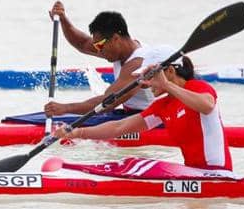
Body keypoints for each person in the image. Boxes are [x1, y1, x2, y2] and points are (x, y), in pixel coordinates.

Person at [52, 57, 232, 171]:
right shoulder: (162, 106)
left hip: (218, 172)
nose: (145, 84)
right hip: (194, 173)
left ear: (169, 71)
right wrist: (77, 132)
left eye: (149, 76)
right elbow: (119, 127)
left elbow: (207, 106)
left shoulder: (197, 87)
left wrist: (167, 85)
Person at [43, 4, 173, 117]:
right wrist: (63, 19)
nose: (97, 51)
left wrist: (66, 108)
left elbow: (108, 102)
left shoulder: (137, 63)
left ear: (116, 38)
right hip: (130, 113)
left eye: (100, 46)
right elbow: (82, 43)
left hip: (153, 118)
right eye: (96, 46)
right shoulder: (121, 49)